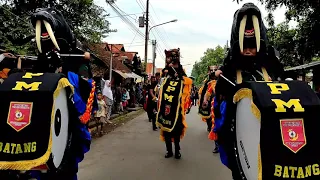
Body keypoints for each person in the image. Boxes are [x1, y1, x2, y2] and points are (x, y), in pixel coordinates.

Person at [213, 3, 284, 180]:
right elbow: (221, 105)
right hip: (239, 138)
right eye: (245, 45)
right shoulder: (229, 70)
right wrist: (220, 83)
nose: (248, 50)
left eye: (252, 45)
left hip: (270, 136)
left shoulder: (271, 68)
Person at [156, 48, 192, 159]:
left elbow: (187, 84)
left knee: (176, 130)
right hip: (165, 105)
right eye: (170, 57)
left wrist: (180, 77)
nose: (172, 59)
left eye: (174, 57)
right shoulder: (165, 71)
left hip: (177, 108)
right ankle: (169, 151)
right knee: (166, 129)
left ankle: (177, 151)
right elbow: (159, 85)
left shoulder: (181, 71)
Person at [199, 66, 217, 132]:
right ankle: (209, 126)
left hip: (216, 100)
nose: (213, 71)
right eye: (211, 70)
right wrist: (203, 100)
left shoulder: (221, 79)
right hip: (208, 101)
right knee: (208, 116)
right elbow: (202, 92)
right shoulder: (207, 81)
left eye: (215, 70)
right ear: (208, 72)